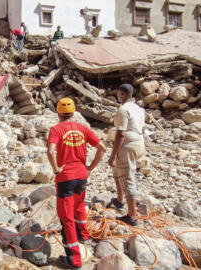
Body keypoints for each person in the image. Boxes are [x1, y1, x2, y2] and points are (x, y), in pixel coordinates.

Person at [47, 98, 106, 270]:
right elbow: (102, 147)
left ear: (58, 112)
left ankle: (75, 260)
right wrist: (89, 168)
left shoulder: (56, 129)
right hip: (81, 175)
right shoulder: (83, 128)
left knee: (66, 218)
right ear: (73, 112)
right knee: (79, 206)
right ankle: (85, 236)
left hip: (65, 177)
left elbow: (50, 151)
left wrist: (56, 169)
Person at [108, 84, 146, 226]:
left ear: (121, 94)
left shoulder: (123, 110)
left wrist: (113, 155)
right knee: (118, 171)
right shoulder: (139, 109)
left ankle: (132, 216)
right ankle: (119, 200)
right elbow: (142, 129)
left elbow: (121, 134)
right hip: (138, 143)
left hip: (128, 145)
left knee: (127, 177)